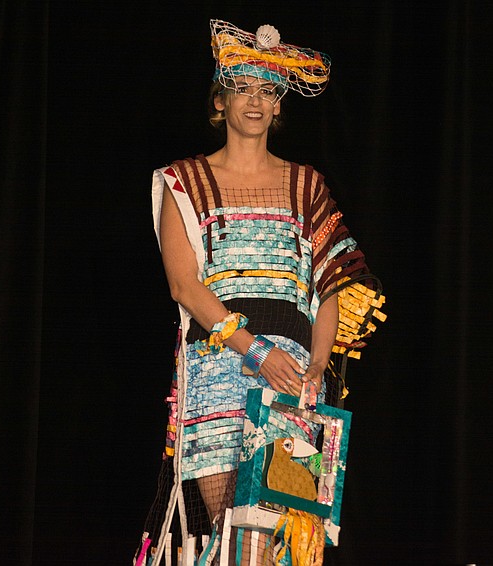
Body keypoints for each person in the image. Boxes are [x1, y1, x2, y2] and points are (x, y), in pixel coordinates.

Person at [134, 19, 386, 566]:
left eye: (267, 91)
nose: (255, 101)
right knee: (231, 531)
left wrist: (318, 366)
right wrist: (255, 350)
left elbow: (332, 285)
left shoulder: (306, 184)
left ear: (279, 107)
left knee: (280, 540)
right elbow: (183, 284)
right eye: (242, 88)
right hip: (219, 364)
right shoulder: (183, 180)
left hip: (291, 377)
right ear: (220, 102)